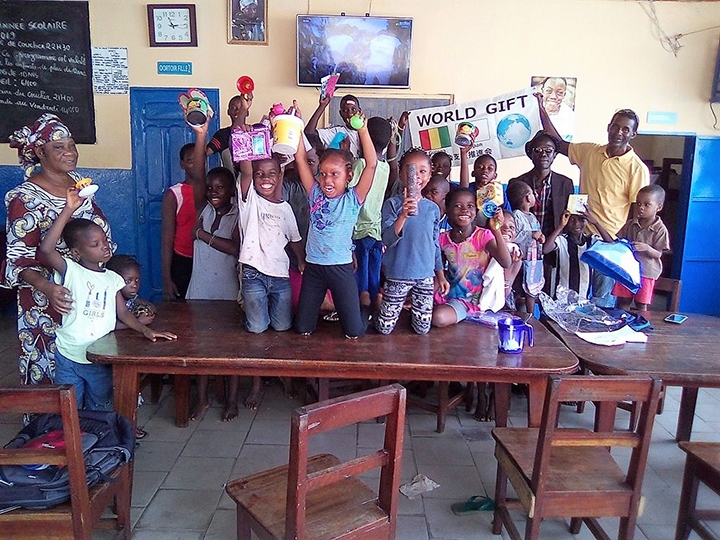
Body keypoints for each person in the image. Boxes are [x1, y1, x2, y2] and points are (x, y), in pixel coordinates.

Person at [37, 188, 176, 410]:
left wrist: (145, 330)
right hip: (68, 355)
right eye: (95, 244)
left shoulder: (113, 279)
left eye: (104, 241)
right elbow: (46, 249)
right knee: (70, 408)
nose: (104, 246)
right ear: (76, 253)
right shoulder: (71, 270)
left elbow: (123, 313)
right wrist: (69, 209)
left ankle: (100, 433)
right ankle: (77, 434)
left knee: (100, 407)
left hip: (98, 356)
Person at [4, 113, 114, 386]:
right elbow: (18, 260)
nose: (70, 152)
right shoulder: (25, 198)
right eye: (59, 147)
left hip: (88, 296)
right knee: (56, 372)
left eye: (72, 145)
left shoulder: (79, 185)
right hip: (49, 301)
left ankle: (99, 412)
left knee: (95, 365)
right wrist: (49, 289)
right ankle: (59, 415)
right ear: (40, 152)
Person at [538, 97, 649, 307]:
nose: (619, 132)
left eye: (625, 129)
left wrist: (623, 247)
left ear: (633, 134)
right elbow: (558, 143)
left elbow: (638, 213)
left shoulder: (637, 168)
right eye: (615, 126)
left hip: (607, 243)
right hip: (578, 236)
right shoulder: (589, 151)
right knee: (571, 294)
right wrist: (541, 109)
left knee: (601, 301)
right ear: (608, 127)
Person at [293, 114, 377, 338]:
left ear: (349, 176)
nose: (327, 180)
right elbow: (300, 159)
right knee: (303, 328)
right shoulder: (314, 193)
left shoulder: (353, 199)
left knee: (354, 331)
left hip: (341, 268)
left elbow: (371, 165)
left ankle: (365, 307)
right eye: (322, 174)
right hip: (314, 268)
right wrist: (297, 127)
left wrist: (363, 130)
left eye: (334, 175)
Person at [186, 123, 245, 419]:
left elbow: (235, 248)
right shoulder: (203, 209)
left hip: (226, 290)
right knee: (201, 347)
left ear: (231, 190)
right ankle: (202, 399)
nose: (212, 192)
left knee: (231, 348)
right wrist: (201, 136)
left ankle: (232, 401)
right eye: (210, 188)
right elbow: (198, 174)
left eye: (219, 188)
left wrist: (202, 235)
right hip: (199, 288)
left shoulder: (238, 214)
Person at [376, 149, 450, 335]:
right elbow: (386, 239)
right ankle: (377, 306)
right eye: (410, 170)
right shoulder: (392, 205)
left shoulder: (432, 209)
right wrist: (402, 216)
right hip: (398, 273)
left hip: (425, 275)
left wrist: (440, 275)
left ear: (430, 175)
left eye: (422, 171)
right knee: (385, 328)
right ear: (401, 174)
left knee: (422, 329)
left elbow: (434, 244)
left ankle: (410, 312)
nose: (416, 176)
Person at [432, 188, 512, 327]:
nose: (465, 210)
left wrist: (496, 230)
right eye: (458, 206)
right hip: (446, 294)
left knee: (439, 317)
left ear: (476, 211)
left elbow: (506, 262)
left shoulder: (483, 236)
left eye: (470, 206)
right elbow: (439, 271)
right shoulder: (442, 239)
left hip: (470, 301)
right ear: (447, 210)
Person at [351, 117, 392, 310]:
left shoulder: (361, 164)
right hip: (376, 232)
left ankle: (363, 302)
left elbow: (350, 193)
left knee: (360, 279)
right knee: (373, 275)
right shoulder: (385, 167)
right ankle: (376, 299)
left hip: (358, 232)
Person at [612, 184, 670, 311]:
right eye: (638, 204)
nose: (641, 208)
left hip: (646, 272)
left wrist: (647, 248)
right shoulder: (630, 224)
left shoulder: (660, 229)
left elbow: (658, 254)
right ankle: (621, 322)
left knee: (641, 304)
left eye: (647, 204)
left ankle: (640, 322)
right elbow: (619, 241)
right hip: (627, 270)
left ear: (659, 207)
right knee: (623, 301)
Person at [508, 131, 574, 239]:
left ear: (554, 155)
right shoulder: (517, 183)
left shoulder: (565, 184)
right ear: (531, 154)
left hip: (554, 242)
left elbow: (568, 217)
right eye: (538, 150)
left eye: (548, 150)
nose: (543, 154)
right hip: (524, 242)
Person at [160, 143, 206, 301]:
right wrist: (167, 278)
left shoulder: (214, 190)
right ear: (182, 164)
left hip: (208, 259)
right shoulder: (174, 194)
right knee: (182, 308)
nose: (197, 165)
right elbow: (167, 239)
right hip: (183, 259)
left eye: (200, 160)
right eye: (191, 161)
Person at [542, 210, 613, 299]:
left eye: (581, 219)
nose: (577, 224)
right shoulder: (562, 240)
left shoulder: (591, 240)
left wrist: (596, 223)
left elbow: (611, 245)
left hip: (582, 298)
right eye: (572, 220)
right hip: (560, 299)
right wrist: (560, 226)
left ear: (586, 220)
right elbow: (545, 249)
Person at [507, 180, 545, 315]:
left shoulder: (532, 217)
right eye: (533, 194)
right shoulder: (516, 215)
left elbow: (537, 232)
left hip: (533, 260)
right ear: (528, 198)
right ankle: (515, 312)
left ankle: (531, 315)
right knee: (518, 288)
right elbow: (514, 235)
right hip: (521, 260)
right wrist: (531, 234)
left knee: (531, 289)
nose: (535, 196)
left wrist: (540, 237)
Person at [458, 148, 511, 226]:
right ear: (473, 173)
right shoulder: (468, 189)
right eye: (480, 167)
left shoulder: (499, 193)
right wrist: (463, 154)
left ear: (495, 175)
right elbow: (463, 187)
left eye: (490, 168)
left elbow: (508, 215)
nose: (485, 170)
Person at [304, 94, 363, 158]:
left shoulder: (368, 130)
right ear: (341, 114)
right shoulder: (338, 132)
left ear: (359, 111)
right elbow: (309, 132)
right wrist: (322, 106)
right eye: (345, 111)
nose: (350, 113)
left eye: (353, 109)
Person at [206, 93, 253, 173]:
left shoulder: (252, 132)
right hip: (230, 180)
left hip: (250, 180)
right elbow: (207, 152)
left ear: (247, 113)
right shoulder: (222, 135)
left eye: (241, 108)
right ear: (228, 111)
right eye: (233, 108)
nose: (237, 111)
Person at [106, 255, 156, 327]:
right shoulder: (110, 302)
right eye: (128, 281)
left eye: (137, 280)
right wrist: (139, 322)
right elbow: (112, 326)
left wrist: (147, 312)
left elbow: (152, 307)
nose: (134, 285)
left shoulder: (131, 298)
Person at [539, 77, 575, 142]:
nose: (553, 96)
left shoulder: (570, 116)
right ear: (542, 91)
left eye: (559, 93)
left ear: (564, 95)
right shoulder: (533, 110)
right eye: (548, 91)